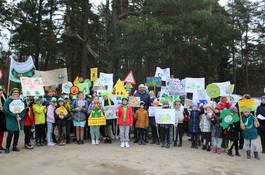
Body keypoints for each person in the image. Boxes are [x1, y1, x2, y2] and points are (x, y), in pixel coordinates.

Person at [4, 88, 26, 154]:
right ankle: (7, 147)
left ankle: (14, 146)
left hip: (18, 119)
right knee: (10, 133)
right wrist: (14, 115)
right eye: (14, 92)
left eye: (17, 92)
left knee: (17, 133)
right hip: (11, 119)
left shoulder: (20, 100)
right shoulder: (8, 100)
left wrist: (21, 117)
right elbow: (5, 110)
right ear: (11, 93)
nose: (15, 93)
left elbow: (23, 110)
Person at [0, 86, 7, 152]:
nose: (0, 93)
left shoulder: (3, 98)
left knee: (1, 133)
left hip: (2, 118)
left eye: (1, 92)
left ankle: (0, 145)